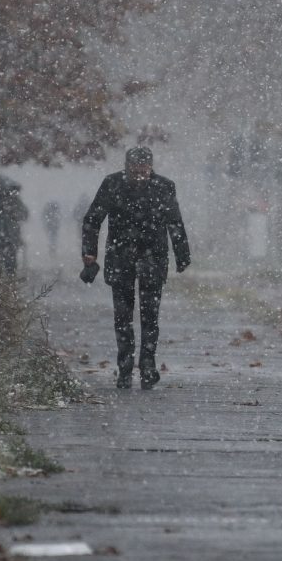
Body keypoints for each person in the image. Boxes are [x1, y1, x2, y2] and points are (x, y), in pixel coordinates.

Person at [81, 147, 191, 389]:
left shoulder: (164, 186)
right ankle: (125, 367)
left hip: (153, 258)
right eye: (136, 169)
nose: (140, 173)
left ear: (151, 167)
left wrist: (182, 254)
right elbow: (93, 219)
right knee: (123, 316)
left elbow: (174, 221)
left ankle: (148, 364)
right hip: (121, 258)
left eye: (144, 169)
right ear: (127, 167)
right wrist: (89, 253)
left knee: (150, 316)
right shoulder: (112, 184)